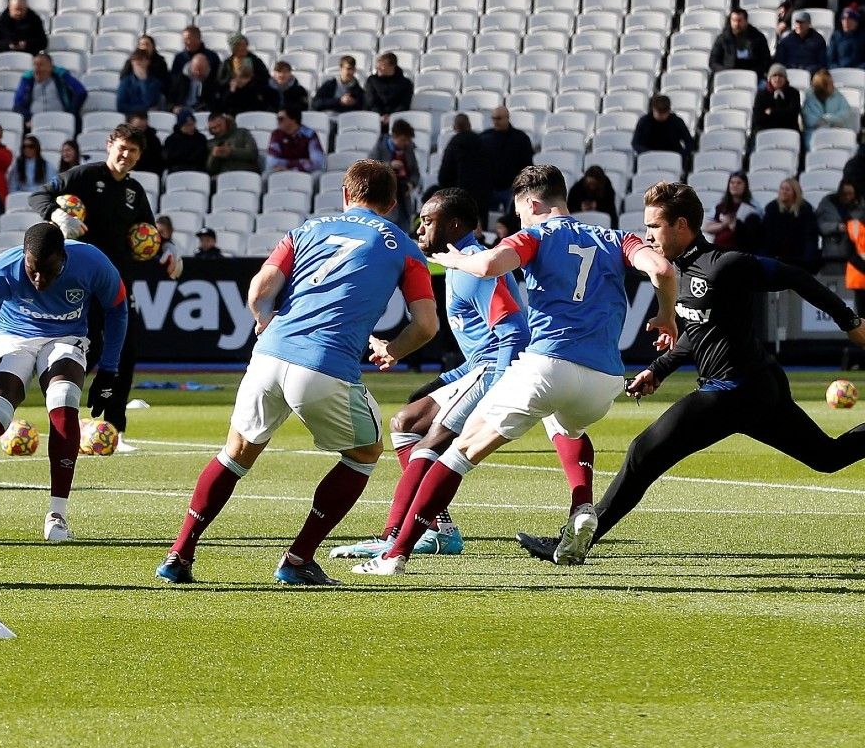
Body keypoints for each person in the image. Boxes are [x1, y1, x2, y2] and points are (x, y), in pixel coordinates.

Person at [354, 166, 677, 576]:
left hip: (548, 364)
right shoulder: (616, 237)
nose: (520, 218)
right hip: (604, 379)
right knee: (567, 428)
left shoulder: (537, 234)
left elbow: (490, 265)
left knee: (459, 453)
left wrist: (458, 260)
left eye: (521, 211)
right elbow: (663, 270)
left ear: (532, 203)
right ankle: (582, 508)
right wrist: (667, 315)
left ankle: (395, 554)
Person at [520, 182, 865, 563]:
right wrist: (659, 369)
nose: (647, 235)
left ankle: (572, 545)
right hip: (756, 390)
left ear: (681, 225)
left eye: (654, 226)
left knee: (642, 453)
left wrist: (848, 320)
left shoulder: (725, 265)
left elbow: (796, 277)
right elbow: (695, 333)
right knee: (828, 457)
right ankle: (574, 543)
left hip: (734, 390)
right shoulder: (676, 272)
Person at [161, 159, 441, 586]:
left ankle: (179, 555)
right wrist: (393, 350)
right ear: (392, 203)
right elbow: (426, 324)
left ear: (345, 196)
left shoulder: (305, 229)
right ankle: (297, 559)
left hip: (267, 358)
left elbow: (259, 288)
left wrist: (263, 319)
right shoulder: (403, 247)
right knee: (364, 454)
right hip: (325, 366)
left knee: (235, 453)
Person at [334, 189, 529, 561]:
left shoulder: (476, 270)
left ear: (453, 225)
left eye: (427, 221)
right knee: (407, 421)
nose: (419, 229)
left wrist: (502, 388)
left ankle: (394, 537)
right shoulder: (461, 265)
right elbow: (479, 347)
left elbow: (513, 334)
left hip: (495, 371)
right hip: (479, 368)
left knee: (428, 445)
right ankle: (439, 529)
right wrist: (443, 380)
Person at [0, 221, 127, 544]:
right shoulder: (1, 271)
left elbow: (118, 311)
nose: (38, 279)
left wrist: (109, 371)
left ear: (63, 257)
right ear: (24, 257)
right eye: (32, 270)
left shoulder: (92, 263)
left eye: (47, 271)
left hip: (66, 338)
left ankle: (57, 516)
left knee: (63, 402)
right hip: (12, 338)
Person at [29, 125, 174, 430]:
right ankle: (61, 409)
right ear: (110, 145)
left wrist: (169, 246)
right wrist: (56, 215)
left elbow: (147, 232)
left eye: (133, 151)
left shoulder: (134, 192)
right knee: (89, 348)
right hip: (80, 279)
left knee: (127, 349)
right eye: (121, 147)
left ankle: (114, 424)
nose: (126, 155)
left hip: (118, 280)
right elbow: (39, 195)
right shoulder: (84, 175)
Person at [761, 177, 822, 270]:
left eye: (787, 189)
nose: (783, 192)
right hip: (776, 257)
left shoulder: (805, 209)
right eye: (781, 188)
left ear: (795, 192)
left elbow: (811, 237)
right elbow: (766, 236)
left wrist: (807, 260)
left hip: (798, 257)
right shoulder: (771, 208)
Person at [267, 107, 326, 173]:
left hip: (305, 173)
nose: (278, 122)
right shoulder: (276, 134)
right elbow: (272, 161)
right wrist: (301, 162)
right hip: (281, 171)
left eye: (281, 119)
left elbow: (318, 162)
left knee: (317, 175)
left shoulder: (310, 135)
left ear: (293, 119)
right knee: (266, 176)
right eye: (277, 119)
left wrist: (291, 167)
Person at [753, 65, 802, 133]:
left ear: (785, 78)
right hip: (766, 130)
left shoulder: (793, 93)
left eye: (781, 76)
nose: (778, 79)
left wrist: (772, 112)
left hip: (789, 130)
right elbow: (758, 119)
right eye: (774, 76)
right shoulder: (761, 95)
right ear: (770, 78)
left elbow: (793, 115)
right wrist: (783, 113)